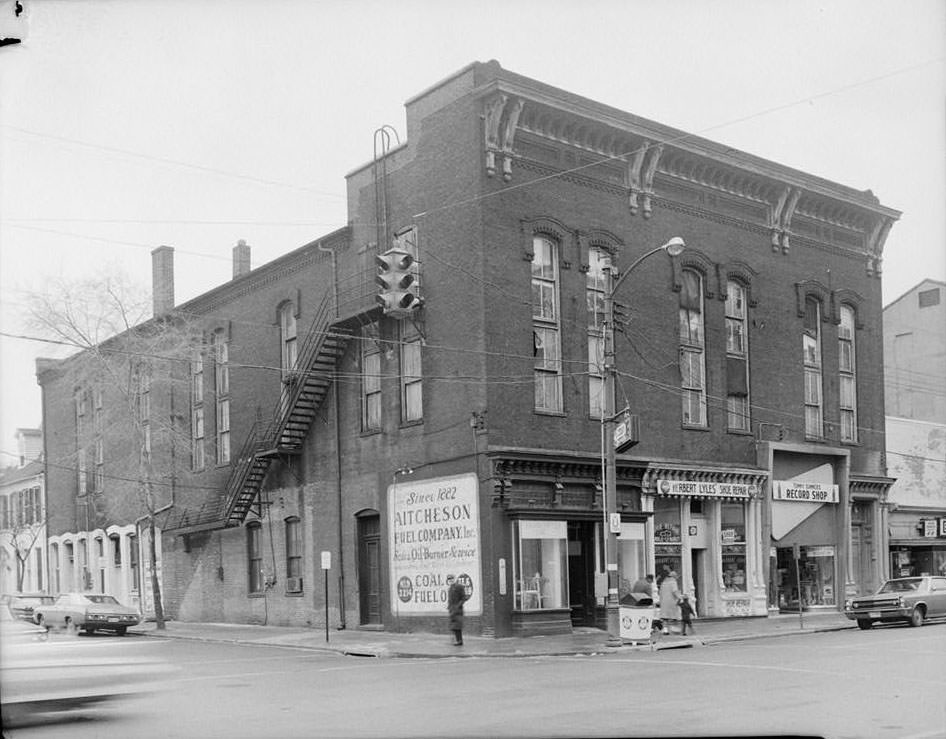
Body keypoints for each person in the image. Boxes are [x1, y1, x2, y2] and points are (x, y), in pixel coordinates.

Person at [446, 575, 469, 646]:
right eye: (449, 580)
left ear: (454, 579)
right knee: (453, 626)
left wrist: (458, 606)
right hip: (452, 610)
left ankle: (459, 641)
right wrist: (449, 607)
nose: (451, 581)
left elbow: (464, 597)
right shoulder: (450, 588)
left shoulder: (459, 587)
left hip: (458, 610)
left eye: (452, 579)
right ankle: (457, 640)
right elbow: (450, 600)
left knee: (457, 626)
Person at [658, 569, 681, 635]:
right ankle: (674, 630)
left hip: (664, 601)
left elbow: (660, 592)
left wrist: (660, 601)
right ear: (674, 576)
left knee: (665, 617)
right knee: (673, 617)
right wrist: (680, 597)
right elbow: (675, 591)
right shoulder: (673, 582)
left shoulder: (663, 582)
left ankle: (665, 630)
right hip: (671, 602)